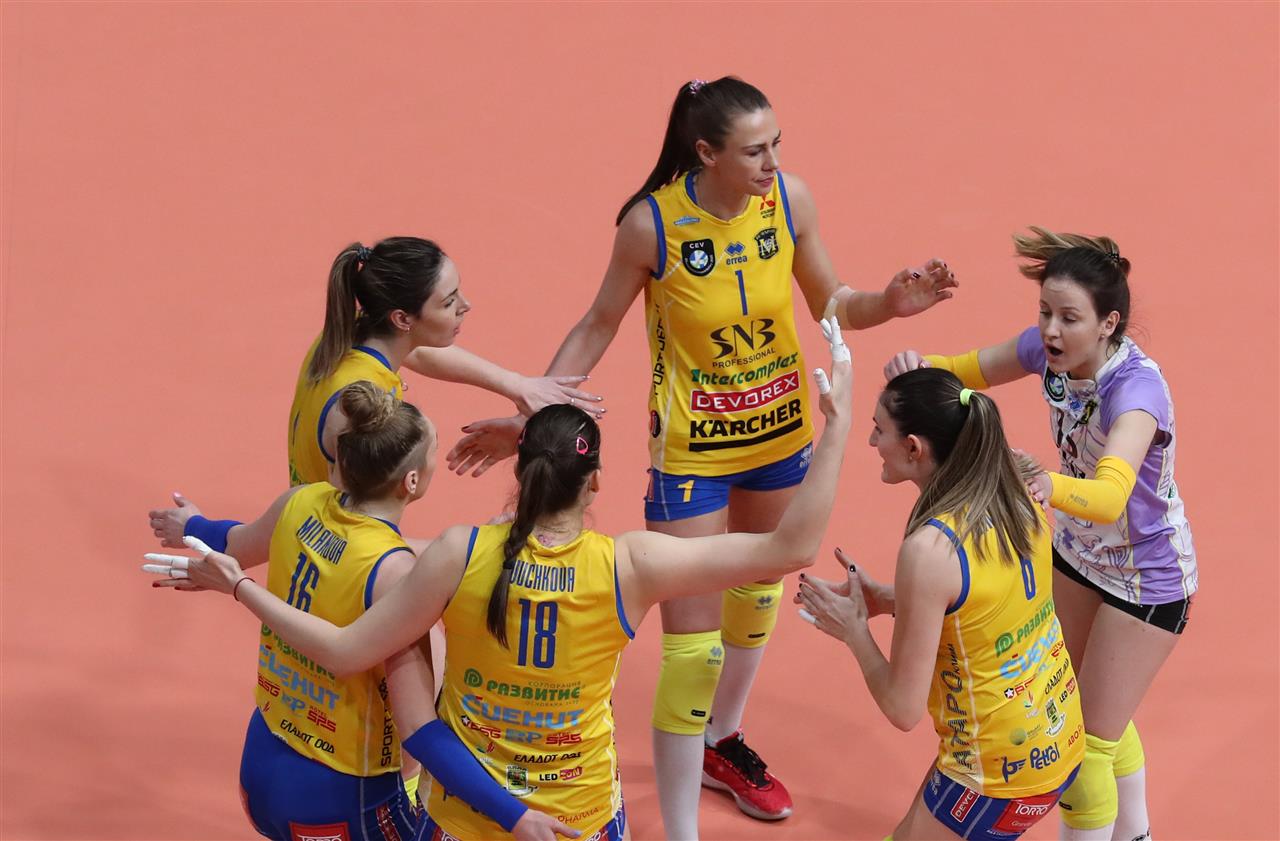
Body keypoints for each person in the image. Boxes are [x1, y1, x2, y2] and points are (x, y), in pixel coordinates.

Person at [447, 76, 955, 836]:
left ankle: (723, 738)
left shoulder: (789, 201)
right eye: (754, 151)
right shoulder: (651, 225)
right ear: (707, 153)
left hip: (780, 439)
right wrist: (533, 412)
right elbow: (597, 324)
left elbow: (832, 303)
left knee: (757, 599)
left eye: (777, 144)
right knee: (692, 653)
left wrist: (889, 302)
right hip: (694, 455)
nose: (772, 163)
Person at [144, 326, 855, 841]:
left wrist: (213, 545)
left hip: (462, 816)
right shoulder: (630, 566)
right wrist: (836, 425)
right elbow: (790, 546)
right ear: (594, 482)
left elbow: (406, 701)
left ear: (521, 469)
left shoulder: (456, 554)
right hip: (576, 817)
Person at [145, 381, 573, 841]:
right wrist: (513, 815)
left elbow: (235, 543)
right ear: (412, 481)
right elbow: (416, 724)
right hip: (340, 794)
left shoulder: (300, 502)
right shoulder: (396, 574)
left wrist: (194, 525)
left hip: (264, 759)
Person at [883, 228, 1196, 841]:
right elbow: (966, 374)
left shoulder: (1135, 394)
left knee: (1086, 746)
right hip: (1079, 555)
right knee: (1085, 701)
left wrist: (1047, 484)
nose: (1051, 330)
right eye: (1045, 312)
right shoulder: (1051, 357)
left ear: (1108, 325)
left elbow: (1109, 497)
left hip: (1147, 579)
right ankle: (1136, 832)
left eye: (1069, 318)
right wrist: (919, 368)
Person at [798, 368, 1083, 840]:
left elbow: (902, 708)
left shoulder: (931, 550)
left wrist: (854, 630)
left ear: (914, 448)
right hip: (1055, 736)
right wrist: (888, 599)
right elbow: (985, 607)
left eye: (879, 430)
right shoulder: (1014, 486)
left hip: (995, 772)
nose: (871, 441)